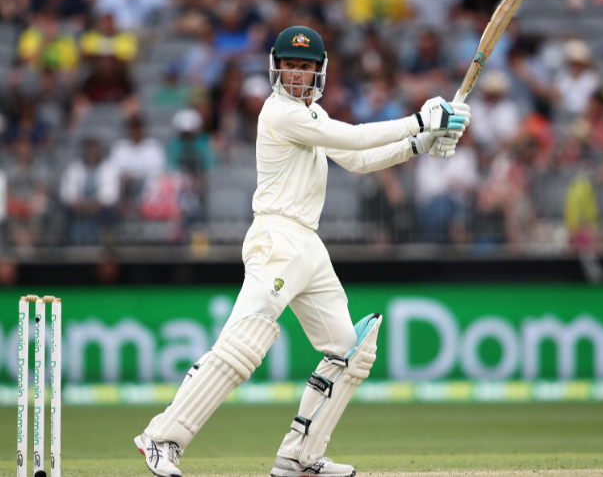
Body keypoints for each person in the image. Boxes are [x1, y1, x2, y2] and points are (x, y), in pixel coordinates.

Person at [133, 25, 471, 477]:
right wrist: (417, 121)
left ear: (320, 72)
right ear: (276, 68)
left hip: (308, 244)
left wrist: (419, 143)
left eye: (306, 66)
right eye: (290, 65)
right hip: (275, 238)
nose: (296, 74)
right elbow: (352, 138)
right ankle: (161, 438)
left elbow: (358, 159)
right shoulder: (280, 113)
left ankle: (300, 457)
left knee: (350, 351)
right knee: (242, 344)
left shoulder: (312, 117)